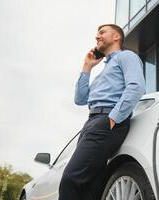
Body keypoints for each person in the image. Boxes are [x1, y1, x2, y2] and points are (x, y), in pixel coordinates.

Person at [58, 24, 146, 200]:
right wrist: (87, 66)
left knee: (70, 180)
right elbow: (80, 99)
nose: (97, 36)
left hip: (106, 121)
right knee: (90, 188)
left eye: (102, 32)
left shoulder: (126, 56)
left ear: (116, 37)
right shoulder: (104, 70)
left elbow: (136, 87)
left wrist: (113, 118)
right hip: (92, 123)